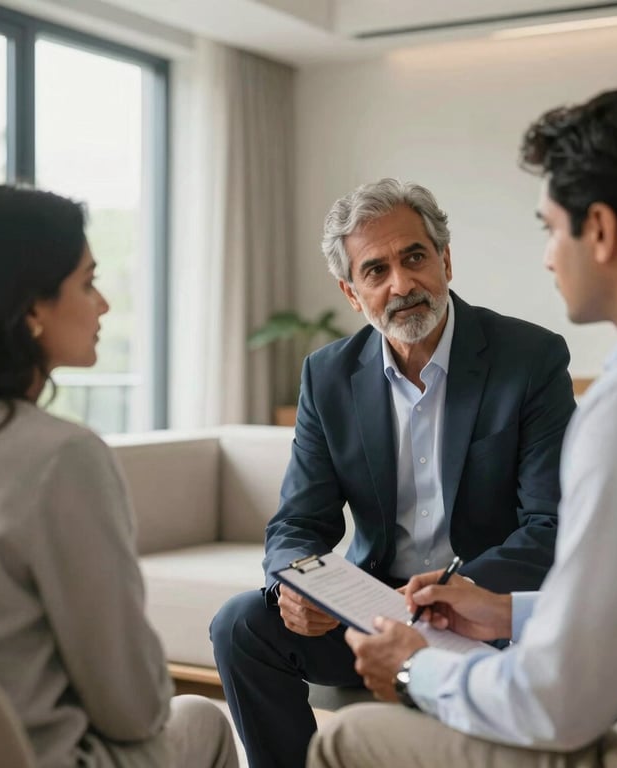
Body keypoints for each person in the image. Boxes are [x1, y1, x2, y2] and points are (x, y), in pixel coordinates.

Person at [307, 86, 617, 768]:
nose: (546, 256)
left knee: (344, 738)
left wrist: (412, 670)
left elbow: (555, 700)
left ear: (598, 230)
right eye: (376, 270)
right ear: (352, 289)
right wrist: (510, 612)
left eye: (549, 227)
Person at [211, 177, 576, 768]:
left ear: (445, 260)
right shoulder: (327, 376)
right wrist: (294, 584)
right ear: (353, 293)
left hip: (485, 604)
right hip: (374, 604)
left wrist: (460, 592)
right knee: (242, 624)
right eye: (375, 271)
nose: (401, 285)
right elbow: (298, 522)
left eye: (414, 258)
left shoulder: (529, 359)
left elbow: (551, 523)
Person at [0, 185, 238, 768]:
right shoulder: (61, 458)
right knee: (201, 718)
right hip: (33, 757)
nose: (104, 305)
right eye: (88, 282)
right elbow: (135, 709)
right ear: (31, 309)